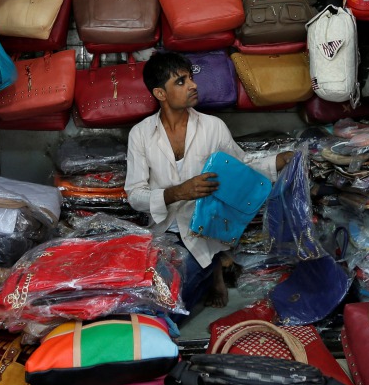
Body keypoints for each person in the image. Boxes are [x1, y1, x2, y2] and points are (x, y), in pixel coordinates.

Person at [125, 51, 292, 312]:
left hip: (203, 228)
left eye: (190, 78)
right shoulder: (141, 134)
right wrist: (176, 192)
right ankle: (214, 270)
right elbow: (135, 195)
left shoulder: (213, 127)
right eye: (180, 81)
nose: (192, 85)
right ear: (160, 94)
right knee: (148, 290)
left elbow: (242, 166)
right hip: (164, 231)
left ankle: (212, 268)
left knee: (172, 302)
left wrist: (278, 161)